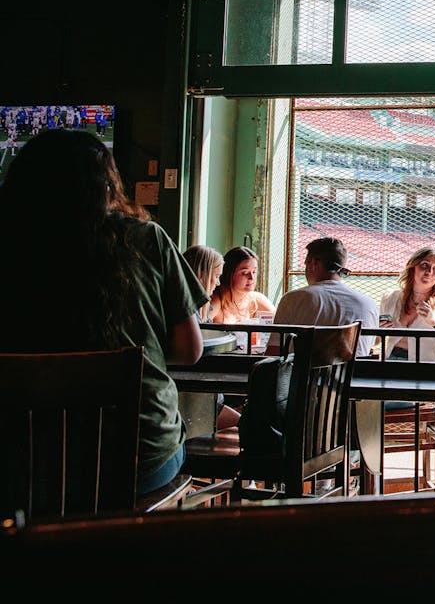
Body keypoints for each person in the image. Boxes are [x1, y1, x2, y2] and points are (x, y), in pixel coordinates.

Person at [0, 130, 205, 496]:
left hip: (23, 464)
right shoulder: (147, 239)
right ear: (107, 184)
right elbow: (190, 350)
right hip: (138, 459)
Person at [271, 237, 378, 358]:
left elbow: (273, 353)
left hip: (301, 376)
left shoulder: (292, 299)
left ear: (313, 263)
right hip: (355, 376)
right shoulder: (369, 304)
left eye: (306, 264)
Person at [182, 245, 241, 431]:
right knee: (247, 423)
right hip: (197, 402)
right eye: (215, 277)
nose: (217, 283)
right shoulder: (189, 313)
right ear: (201, 275)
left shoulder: (200, 311)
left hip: (207, 397)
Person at [379, 246, 435, 362]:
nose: (429, 272)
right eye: (424, 265)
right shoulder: (390, 297)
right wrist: (378, 330)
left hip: (425, 367)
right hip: (388, 362)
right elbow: (375, 340)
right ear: (412, 267)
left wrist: (434, 322)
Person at [208, 246, 276, 326]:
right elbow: (198, 329)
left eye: (254, 272)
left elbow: (282, 322)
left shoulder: (256, 299)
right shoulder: (217, 301)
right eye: (245, 273)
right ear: (229, 274)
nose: (252, 278)